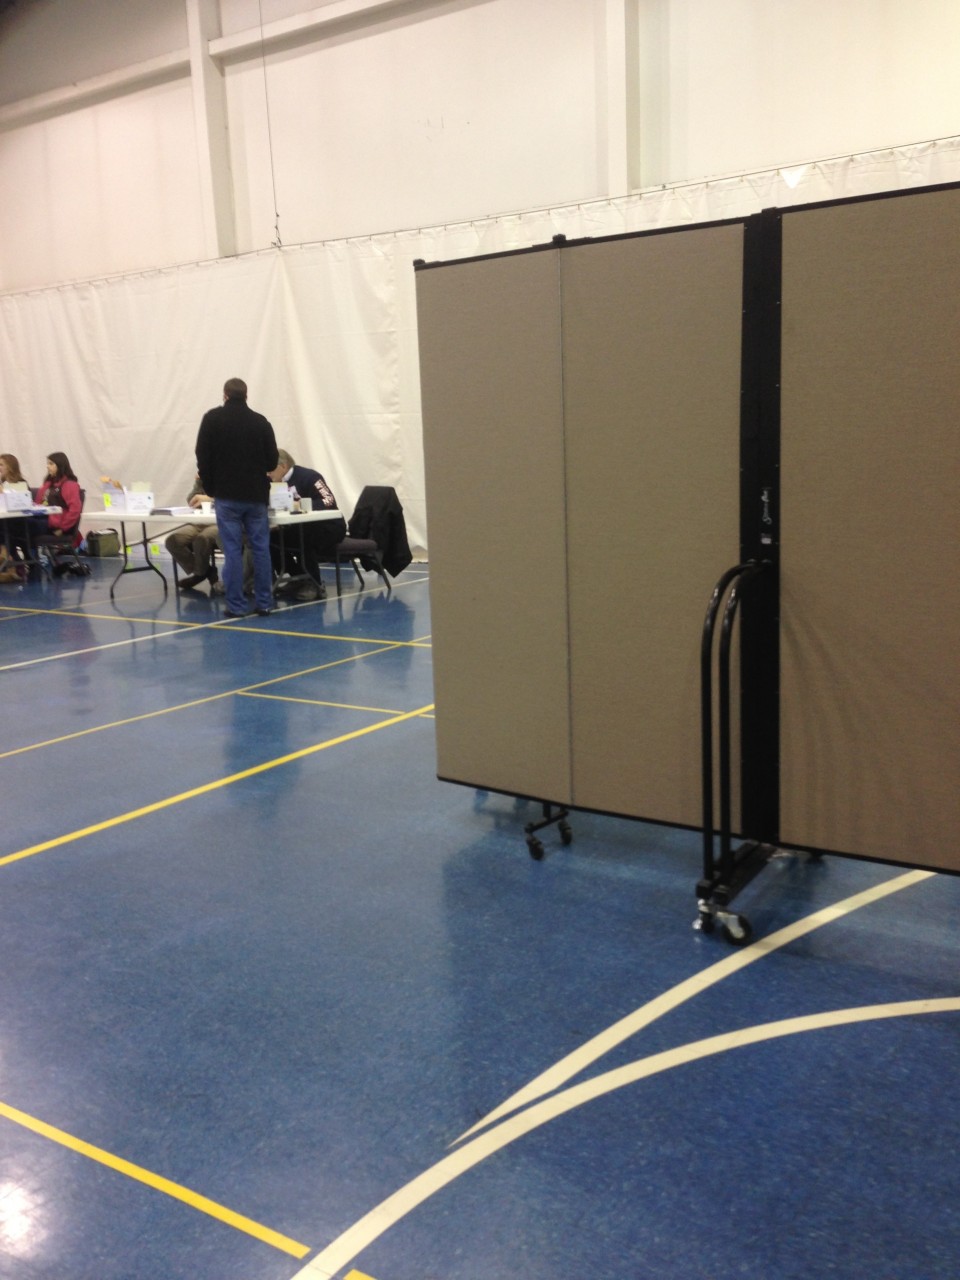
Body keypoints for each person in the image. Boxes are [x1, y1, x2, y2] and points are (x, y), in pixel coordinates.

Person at [195, 377, 278, 618]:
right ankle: (264, 603)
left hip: (227, 496)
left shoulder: (212, 419)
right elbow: (272, 461)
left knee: (232, 551)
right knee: (261, 549)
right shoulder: (261, 422)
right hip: (256, 496)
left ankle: (236, 605)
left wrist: (210, 488)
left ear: (225, 395)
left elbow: (202, 455)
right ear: (247, 395)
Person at [268, 448, 346, 601]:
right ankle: (298, 578)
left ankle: (314, 584)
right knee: (269, 539)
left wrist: (301, 505)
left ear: (283, 466)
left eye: (270, 470)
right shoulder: (273, 482)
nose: (268, 474)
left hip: (329, 527)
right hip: (296, 526)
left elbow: (329, 500)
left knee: (304, 536)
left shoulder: (310, 477)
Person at [165, 473, 223, 594]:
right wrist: (199, 482)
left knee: (202, 539)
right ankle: (205, 571)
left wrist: (211, 498)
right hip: (199, 521)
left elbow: (234, 499)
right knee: (173, 540)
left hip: (219, 521)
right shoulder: (204, 480)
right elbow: (191, 500)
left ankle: (199, 573)